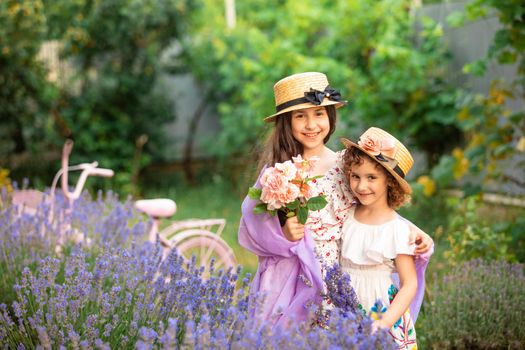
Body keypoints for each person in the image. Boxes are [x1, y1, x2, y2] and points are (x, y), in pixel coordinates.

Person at [238, 72, 432, 329]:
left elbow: (374, 206)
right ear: (287, 122)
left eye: (318, 114)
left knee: (336, 334)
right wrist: (284, 232)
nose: (311, 124)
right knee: (294, 336)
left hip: (341, 273)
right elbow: (254, 226)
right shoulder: (278, 173)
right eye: (300, 116)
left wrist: (411, 230)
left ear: (330, 116)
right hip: (294, 275)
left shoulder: (345, 166)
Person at [340, 127, 420, 348]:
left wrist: (386, 321)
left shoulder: (397, 229)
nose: (361, 186)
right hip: (344, 301)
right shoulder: (346, 216)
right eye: (355, 176)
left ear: (390, 182)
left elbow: (409, 283)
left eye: (371, 177)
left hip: (381, 308)